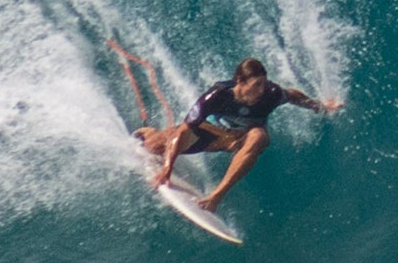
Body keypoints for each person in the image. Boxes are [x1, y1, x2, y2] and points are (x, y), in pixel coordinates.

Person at [134, 58, 343, 215]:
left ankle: (217, 194)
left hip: (237, 139)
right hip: (209, 133)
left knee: (259, 136)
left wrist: (321, 107)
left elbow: (292, 95)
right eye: (256, 85)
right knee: (154, 146)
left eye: (263, 83)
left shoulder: (270, 94)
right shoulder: (216, 96)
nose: (262, 90)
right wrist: (167, 170)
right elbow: (185, 130)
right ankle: (149, 132)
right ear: (239, 82)